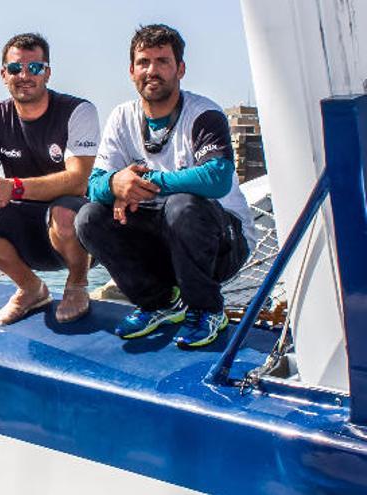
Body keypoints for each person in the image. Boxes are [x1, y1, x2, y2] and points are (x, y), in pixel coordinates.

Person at [75, 24, 256, 349]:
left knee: (182, 205)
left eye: (162, 61)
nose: (152, 71)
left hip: (224, 243)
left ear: (180, 69)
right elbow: (93, 186)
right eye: (144, 62)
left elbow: (216, 177)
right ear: (131, 71)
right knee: (88, 217)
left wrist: (146, 183)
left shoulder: (204, 114)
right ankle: (160, 303)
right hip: (165, 244)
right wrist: (117, 183)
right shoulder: (122, 117)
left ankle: (208, 310)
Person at [0, 33, 100, 326]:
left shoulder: (77, 110)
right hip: (26, 228)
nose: (24, 76)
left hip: (77, 233)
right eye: (15, 69)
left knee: (64, 212)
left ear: (47, 72)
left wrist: (15, 187)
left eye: (34, 68)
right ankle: (31, 288)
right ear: (3, 74)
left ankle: (77, 285)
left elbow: (78, 181)